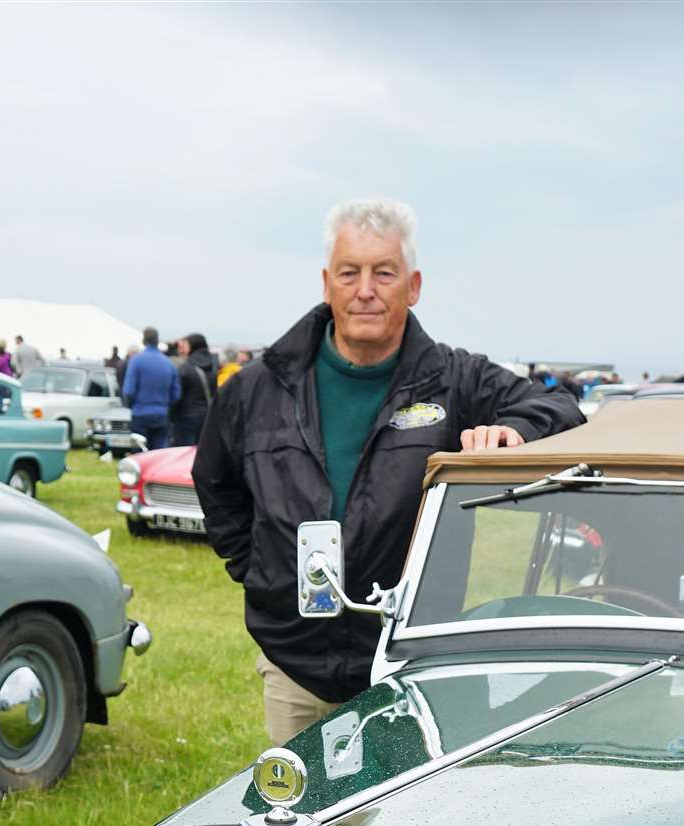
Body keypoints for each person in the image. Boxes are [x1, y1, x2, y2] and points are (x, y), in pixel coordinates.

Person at [194, 196, 583, 746]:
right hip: (295, 664)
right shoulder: (258, 388)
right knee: (298, 817)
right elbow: (216, 484)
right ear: (328, 283)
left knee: (396, 825)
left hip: (408, 665)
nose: (366, 290)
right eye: (350, 273)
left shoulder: (454, 380)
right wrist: (261, 571)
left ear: (414, 285)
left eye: (384, 272)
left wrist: (513, 432)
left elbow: (562, 408)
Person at [122, 326, 179, 450]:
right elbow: (176, 394)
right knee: (158, 454)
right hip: (161, 413)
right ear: (157, 340)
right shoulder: (168, 363)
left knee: (139, 453)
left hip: (140, 413)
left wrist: (132, 405)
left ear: (144, 340)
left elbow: (129, 390)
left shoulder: (136, 361)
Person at [171, 332, 218, 445]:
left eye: (185, 345)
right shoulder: (213, 366)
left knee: (185, 453)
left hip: (186, 417)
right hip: (207, 416)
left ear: (192, 346)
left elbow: (176, 396)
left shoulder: (186, 368)